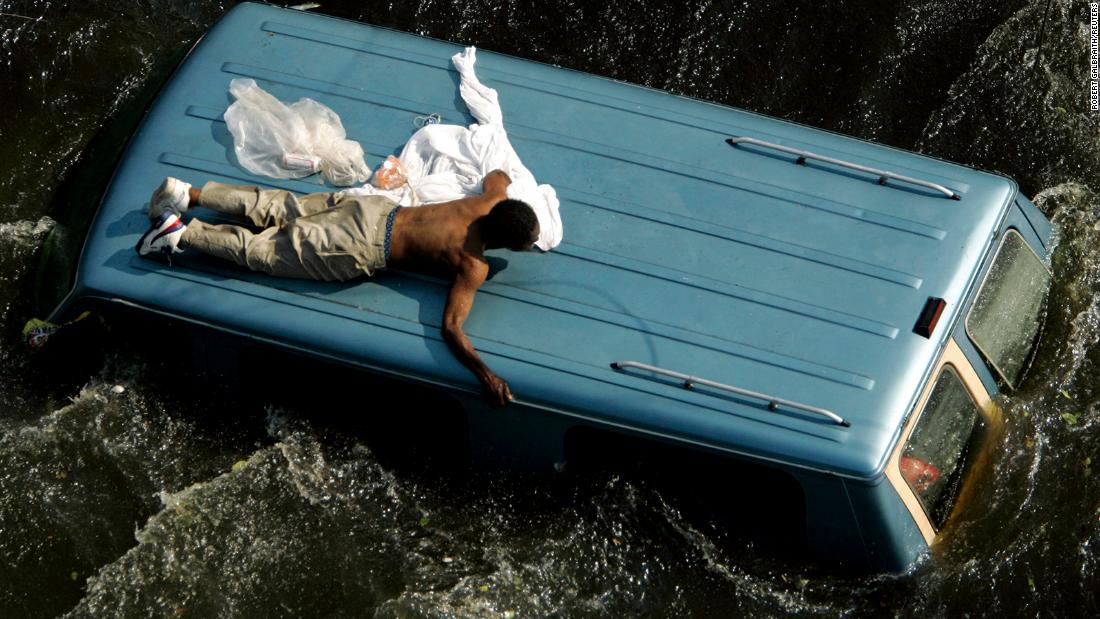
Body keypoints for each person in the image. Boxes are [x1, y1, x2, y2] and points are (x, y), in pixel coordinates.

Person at [135, 170, 538, 407]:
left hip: (372, 208)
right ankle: (181, 234)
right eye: (527, 243)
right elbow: (451, 328)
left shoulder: (490, 201)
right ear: (506, 241)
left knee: (283, 205)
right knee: (269, 252)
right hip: (358, 246)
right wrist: (485, 374)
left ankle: (190, 194)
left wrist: (508, 186)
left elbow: (498, 175)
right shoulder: (472, 264)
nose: (530, 246)